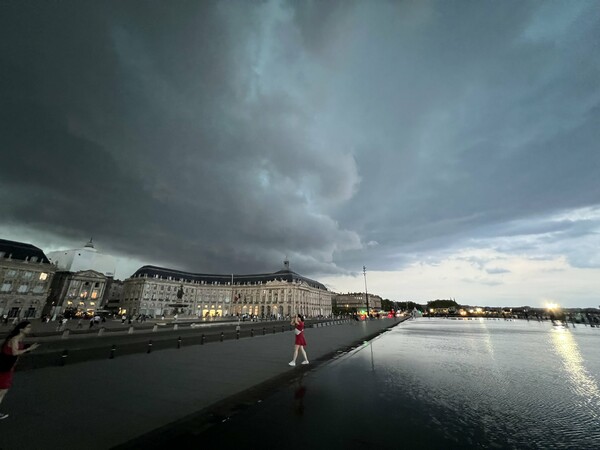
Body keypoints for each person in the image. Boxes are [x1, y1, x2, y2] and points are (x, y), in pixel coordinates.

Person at [0, 321, 40, 419]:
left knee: (2, 391)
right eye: (28, 327)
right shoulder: (15, 339)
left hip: (7, 367)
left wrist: (28, 348)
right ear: (21, 329)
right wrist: (28, 349)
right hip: (5, 368)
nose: (30, 329)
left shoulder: (19, 339)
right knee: (2, 391)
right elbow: (14, 352)